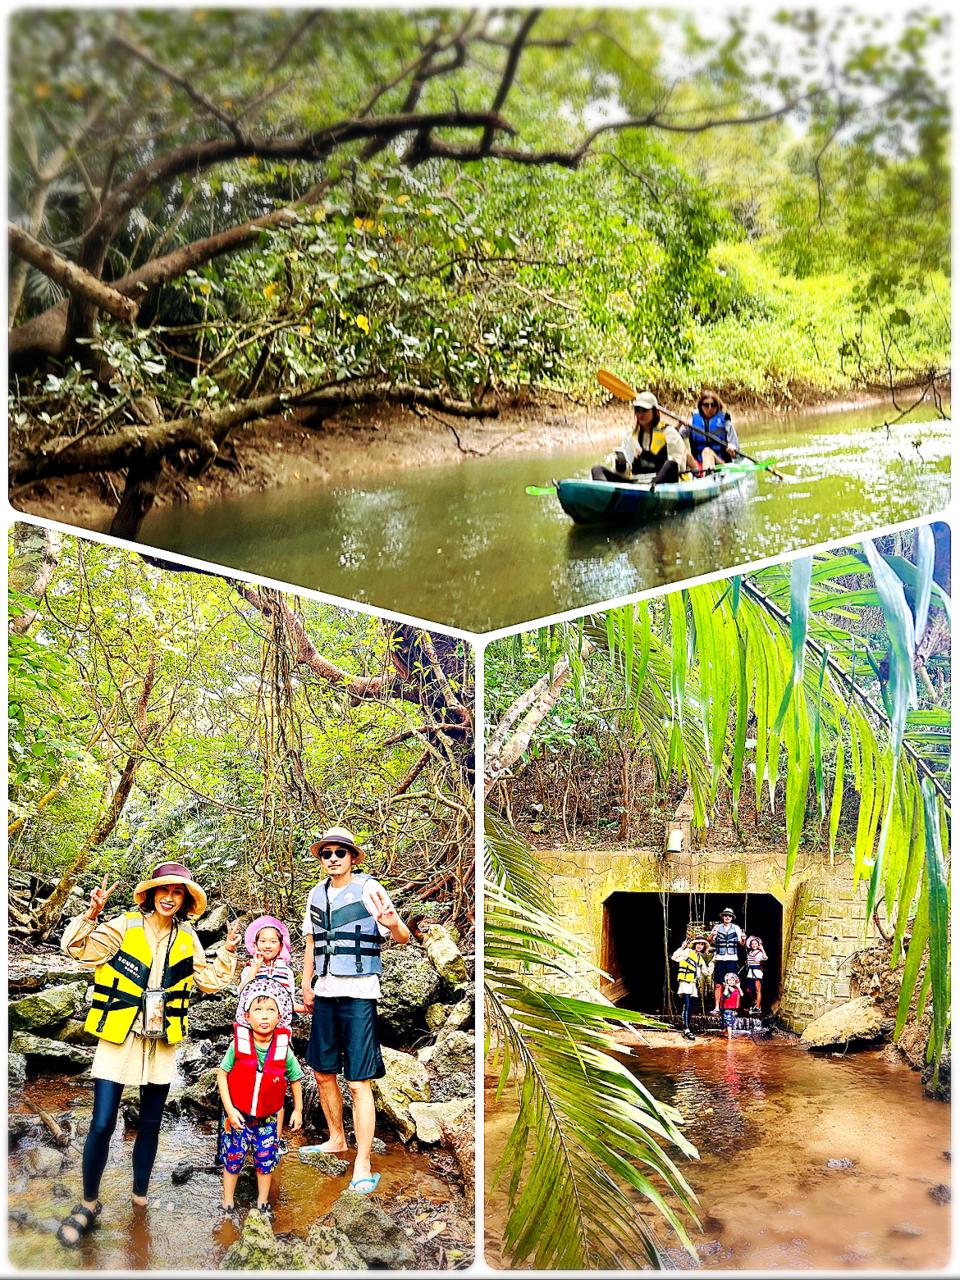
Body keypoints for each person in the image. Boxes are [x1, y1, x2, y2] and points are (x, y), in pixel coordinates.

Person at [57, 863, 239, 1248]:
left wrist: (229, 953)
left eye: (178, 893)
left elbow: (207, 980)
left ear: (186, 900)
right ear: (151, 894)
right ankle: (89, 1203)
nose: (170, 898)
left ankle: (139, 1198)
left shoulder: (187, 937)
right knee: (103, 1122)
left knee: (151, 1125)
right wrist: (90, 914)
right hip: (119, 1035)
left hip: (161, 1041)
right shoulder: (125, 926)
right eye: (163, 890)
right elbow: (76, 949)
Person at [301, 826, 411, 1195]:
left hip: (360, 993)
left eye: (340, 853)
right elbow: (312, 942)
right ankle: (336, 1139)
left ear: (352, 857)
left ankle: (363, 1161)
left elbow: (401, 936)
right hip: (326, 992)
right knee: (321, 1072)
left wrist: (393, 924)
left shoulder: (369, 890)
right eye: (326, 853)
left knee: (358, 1082)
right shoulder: (315, 894)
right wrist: (306, 983)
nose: (332, 858)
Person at [217, 974, 303, 1219]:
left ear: (280, 1016)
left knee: (266, 1160)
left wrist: (297, 1110)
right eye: (258, 1009)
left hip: (268, 1119)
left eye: (270, 1010)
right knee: (233, 1158)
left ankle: (263, 1201)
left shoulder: (283, 1049)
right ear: (247, 1016)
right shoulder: (238, 1045)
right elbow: (222, 1075)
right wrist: (230, 1110)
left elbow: (295, 1079)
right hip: (238, 1116)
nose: (264, 1016)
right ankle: (227, 1201)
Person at [591, 390, 667, 482]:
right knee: (597, 469)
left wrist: (646, 455)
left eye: (645, 410)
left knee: (671, 464)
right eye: (638, 410)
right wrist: (620, 465)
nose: (640, 414)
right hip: (637, 482)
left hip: (659, 483)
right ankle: (603, 493)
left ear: (655, 412)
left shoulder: (668, 433)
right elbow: (624, 472)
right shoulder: (630, 437)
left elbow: (675, 466)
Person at [238, 915, 297, 1003]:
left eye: (273, 941)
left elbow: (290, 1002)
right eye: (263, 941)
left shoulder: (287, 971)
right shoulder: (249, 969)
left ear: (280, 946)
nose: (268, 946)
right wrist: (254, 969)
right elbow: (241, 994)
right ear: (255, 945)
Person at [686, 390, 738, 473]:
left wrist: (732, 449)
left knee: (707, 452)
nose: (709, 408)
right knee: (683, 452)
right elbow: (675, 438)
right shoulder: (693, 420)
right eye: (706, 405)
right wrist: (679, 425)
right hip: (697, 465)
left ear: (717, 406)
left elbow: (736, 450)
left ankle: (707, 477)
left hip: (720, 463)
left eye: (713, 405)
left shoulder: (725, 421)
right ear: (701, 406)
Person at [670, 935, 711, 1040]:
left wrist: (713, 963)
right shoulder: (687, 952)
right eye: (698, 944)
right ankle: (686, 1028)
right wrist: (682, 948)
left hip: (693, 984)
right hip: (685, 982)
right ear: (695, 944)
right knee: (687, 1005)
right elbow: (674, 957)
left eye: (702, 944)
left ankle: (686, 1026)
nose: (700, 946)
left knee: (690, 1006)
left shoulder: (699, 958)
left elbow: (706, 972)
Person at [709, 907, 746, 1014]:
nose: (727, 917)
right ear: (722, 917)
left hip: (732, 959)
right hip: (720, 959)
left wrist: (743, 938)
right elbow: (709, 940)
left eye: (729, 916)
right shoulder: (717, 927)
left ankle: (732, 1007)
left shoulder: (736, 928)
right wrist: (712, 934)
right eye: (725, 915)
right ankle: (717, 1007)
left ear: (732, 918)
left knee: (732, 983)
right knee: (718, 983)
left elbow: (741, 944)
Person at [745, 934, 768, 1012]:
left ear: (758, 945)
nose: (753, 945)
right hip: (750, 972)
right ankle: (754, 1001)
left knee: (758, 990)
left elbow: (765, 958)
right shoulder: (750, 952)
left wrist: (762, 949)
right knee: (748, 990)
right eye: (752, 944)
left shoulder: (759, 952)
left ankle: (758, 1007)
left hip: (756, 971)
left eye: (755, 944)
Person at [720, 972, 742, 1040]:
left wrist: (738, 986)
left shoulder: (736, 989)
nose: (731, 981)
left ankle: (725, 1032)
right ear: (727, 981)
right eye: (729, 980)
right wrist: (727, 987)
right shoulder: (726, 989)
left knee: (730, 1022)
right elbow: (725, 994)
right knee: (729, 1024)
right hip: (727, 1010)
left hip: (733, 1010)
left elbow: (742, 994)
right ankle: (729, 1036)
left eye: (733, 980)